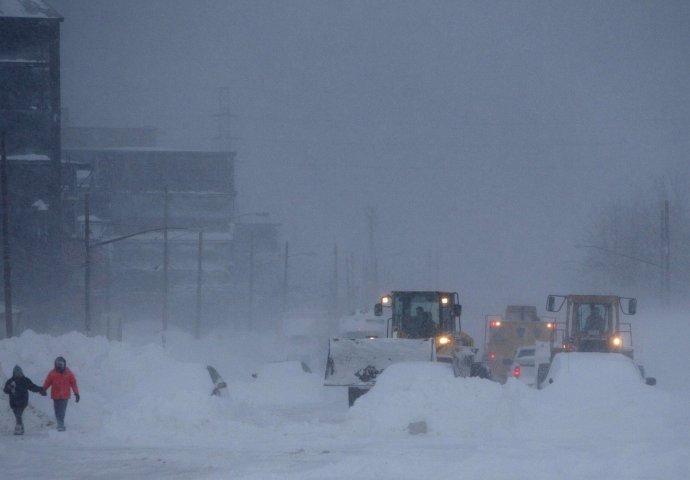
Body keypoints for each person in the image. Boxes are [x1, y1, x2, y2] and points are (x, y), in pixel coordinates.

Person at [3, 365, 46, 435]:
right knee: (17, 415)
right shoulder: (10, 381)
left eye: (19, 372)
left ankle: (18, 429)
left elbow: (32, 387)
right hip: (13, 402)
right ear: (13, 373)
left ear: (21, 372)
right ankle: (21, 428)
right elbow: (5, 391)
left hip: (22, 401)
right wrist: (9, 387)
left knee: (18, 414)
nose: (18, 374)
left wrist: (41, 390)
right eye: (16, 372)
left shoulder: (25, 380)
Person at [42, 356, 79, 432]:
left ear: (64, 364)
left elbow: (73, 383)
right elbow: (47, 382)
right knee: (57, 410)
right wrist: (43, 389)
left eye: (61, 364)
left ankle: (60, 424)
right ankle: (59, 422)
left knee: (62, 410)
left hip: (65, 395)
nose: (59, 366)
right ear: (55, 364)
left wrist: (76, 393)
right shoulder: (52, 373)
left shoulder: (68, 373)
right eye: (58, 364)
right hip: (55, 395)